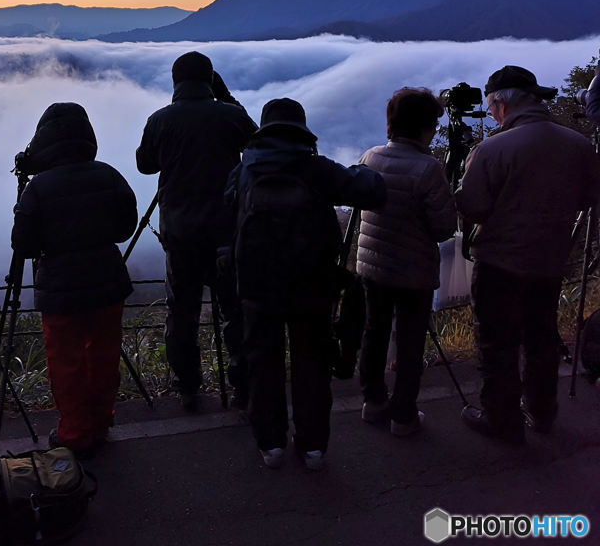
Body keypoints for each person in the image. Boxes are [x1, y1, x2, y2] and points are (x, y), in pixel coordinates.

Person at [226, 98, 385, 471]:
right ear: (302, 132)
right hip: (311, 285)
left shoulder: (243, 172)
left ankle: (270, 444)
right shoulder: (317, 170)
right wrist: (361, 167)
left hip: (256, 285)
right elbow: (374, 191)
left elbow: (226, 213)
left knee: (262, 362)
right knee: (311, 361)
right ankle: (312, 447)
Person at [456, 65, 600, 444]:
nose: (489, 113)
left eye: (490, 107)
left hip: (499, 261)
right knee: (541, 336)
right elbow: (589, 196)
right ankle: (543, 412)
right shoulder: (578, 145)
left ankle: (501, 418)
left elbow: (472, 206)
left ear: (502, 104)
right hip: (549, 259)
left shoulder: (490, 150)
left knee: (496, 341)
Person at [11, 102, 138, 456]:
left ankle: (75, 431)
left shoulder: (37, 188)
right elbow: (126, 227)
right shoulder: (109, 175)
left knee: (66, 362)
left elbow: (23, 245)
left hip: (60, 288)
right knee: (104, 355)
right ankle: (101, 420)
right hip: (107, 279)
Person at [135, 51, 257, 410]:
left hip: (181, 231)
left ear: (175, 82)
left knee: (182, 313)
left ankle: (188, 386)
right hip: (227, 231)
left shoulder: (160, 120)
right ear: (210, 80)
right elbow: (257, 143)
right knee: (235, 310)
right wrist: (227, 97)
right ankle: (243, 385)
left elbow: (144, 164)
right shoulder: (230, 116)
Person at [356, 88, 457, 436]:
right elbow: (444, 228)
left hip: (372, 266)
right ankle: (403, 416)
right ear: (425, 127)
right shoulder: (428, 169)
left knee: (374, 330)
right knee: (411, 341)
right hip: (413, 269)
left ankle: (372, 402)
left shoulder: (370, 157)